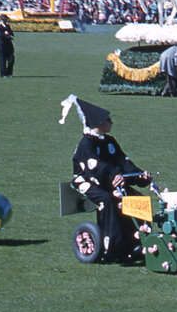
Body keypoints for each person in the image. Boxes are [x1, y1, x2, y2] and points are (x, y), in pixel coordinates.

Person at [59, 94, 152, 261]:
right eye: (108, 119)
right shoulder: (86, 143)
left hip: (109, 181)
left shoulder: (110, 141)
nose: (111, 122)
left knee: (138, 199)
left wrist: (140, 176)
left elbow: (123, 161)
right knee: (107, 201)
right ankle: (112, 246)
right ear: (98, 123)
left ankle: (138, 241)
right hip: (88, 181)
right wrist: (114, 175)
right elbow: (94, 166)